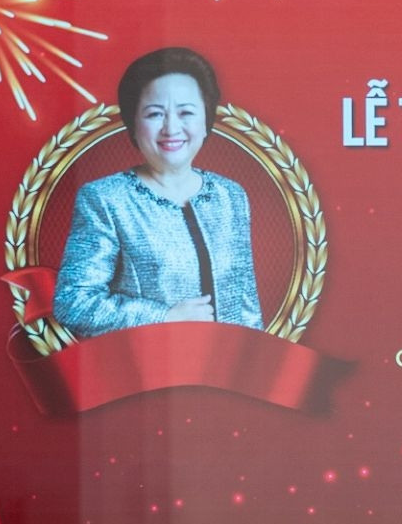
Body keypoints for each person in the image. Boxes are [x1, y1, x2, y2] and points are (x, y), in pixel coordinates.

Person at [53, 46, 263, 338]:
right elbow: (72, 303)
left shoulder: (230, 196)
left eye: (186, 112)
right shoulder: (105, 199)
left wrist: (256, 361)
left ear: (206, 121)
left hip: (224, 364)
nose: (171, 128)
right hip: (145, 364)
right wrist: (163, 317)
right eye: (154, 114)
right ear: (133, 125)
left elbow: (246, 305)